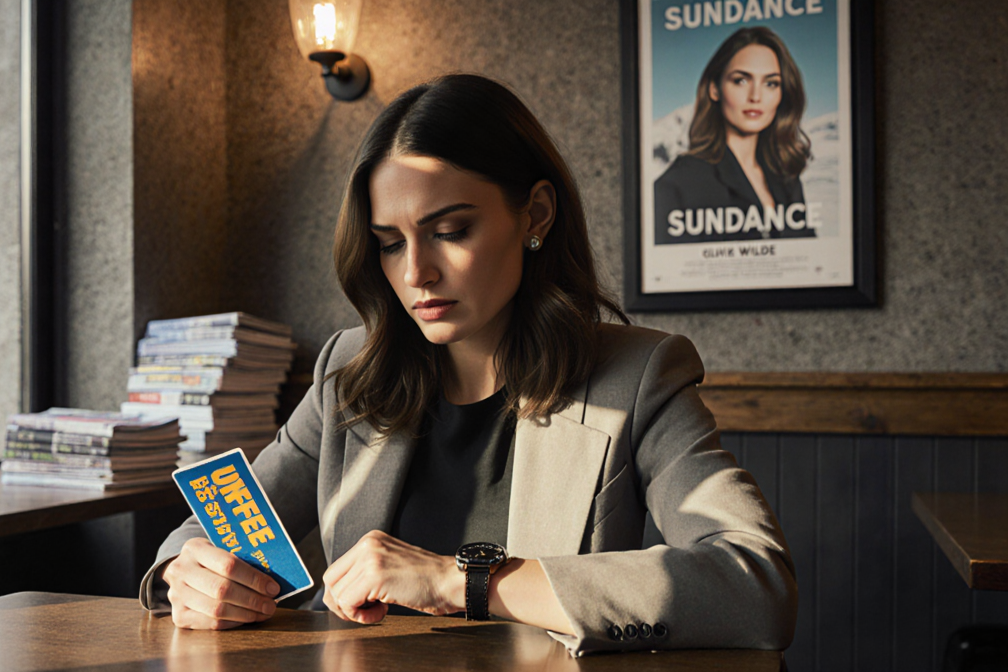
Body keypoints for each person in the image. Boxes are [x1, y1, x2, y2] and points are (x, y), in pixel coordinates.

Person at [141, 74, 797, 655]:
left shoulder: (639, 377)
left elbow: (756, 586)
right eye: (389, 243)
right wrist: (186, 574)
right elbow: (208, 533)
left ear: (535, 214)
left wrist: (462, 580)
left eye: (450, 231)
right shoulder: (349, 371)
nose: (416, 273)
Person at [654, 27, 815, 245]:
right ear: (714, 88)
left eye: (771, 83)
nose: (756, 96)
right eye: (741, 80)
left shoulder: (786, 177)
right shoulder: (679, 183)